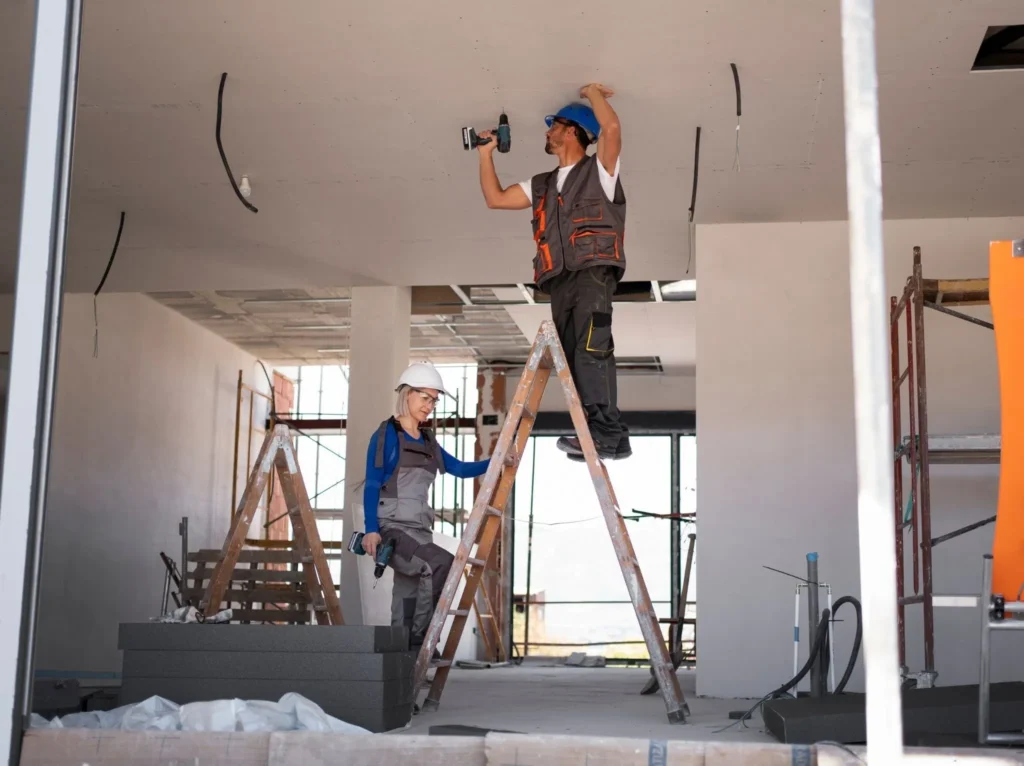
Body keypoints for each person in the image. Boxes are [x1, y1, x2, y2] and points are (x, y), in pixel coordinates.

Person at [474, 83, 630, 462]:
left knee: (592, 350)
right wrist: (485, 154)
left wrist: (593, 94)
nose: (547, 132)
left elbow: (610, 131)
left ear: (573, 131)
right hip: (559, 280)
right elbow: (496, 199)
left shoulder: (600, 170)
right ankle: (607, 436)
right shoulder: (541, 185)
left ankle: (606, 433)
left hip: (593, 272)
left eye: (553, 125)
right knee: (573, 360)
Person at [359, 362, 490, 651]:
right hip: (393, 529)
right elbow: (371, 483)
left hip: (420, 531)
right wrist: (371, 530)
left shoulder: (429, 440)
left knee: (406, 600)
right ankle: (423, 641)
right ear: (407, 394)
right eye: (425, 397)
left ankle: (402, 673)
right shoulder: (386, 436)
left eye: (434, 400)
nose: (430, 405)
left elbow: (459, 467)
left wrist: (498, 462)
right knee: (441, 563)